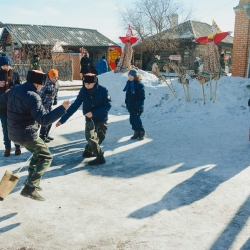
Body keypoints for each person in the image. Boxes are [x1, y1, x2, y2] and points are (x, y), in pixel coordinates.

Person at [0, 70, 71, 201]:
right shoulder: (33, 96)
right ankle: (30, 187)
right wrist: (63, 108)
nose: (43, 87)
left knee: (38, 153)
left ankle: (32, 181)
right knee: (46, 157)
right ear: (37, 84)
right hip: (26, 135)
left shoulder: (14, 89)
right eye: (42, 85)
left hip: (13, 133)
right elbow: (43, 120)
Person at [56, 73, 111, 165]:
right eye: (85, 84)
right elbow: (74, 106)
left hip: (101, 118)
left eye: (89, 84)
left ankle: (89, 150)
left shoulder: (103, 91)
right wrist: (62, 120)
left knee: (100, 138)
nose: (87, 86)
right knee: (90, 137)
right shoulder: (83, 91)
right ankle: (100, 157)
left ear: (95, 82)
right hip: (89, 119)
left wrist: (93, 113)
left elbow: (107, 106)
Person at [0, 54, 22, 157]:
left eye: (7, 65)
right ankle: (7, 147)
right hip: (2, 107)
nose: (6, 67)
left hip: (13, 106)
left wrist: (12, 89)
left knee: (15, 127)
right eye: (4, 66)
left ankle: (17, 146)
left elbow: (20, 86)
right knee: (5, 128)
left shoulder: (15, 73)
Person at [123, 68, 146, 140]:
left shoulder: (139, 85)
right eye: (129, 75)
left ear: (136, 76)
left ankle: (142, 132)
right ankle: (136, 132)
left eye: (132, 75)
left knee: (136, 120)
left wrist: (137, 106)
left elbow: (142, 97)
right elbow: (127, 95)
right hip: (131, 105)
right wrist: (126, 103)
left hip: (137, 106)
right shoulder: (129, 84)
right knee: (132, 121)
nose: (130, 76)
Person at [39, 69, 59, 143]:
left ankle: (46, 134)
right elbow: (40, 94)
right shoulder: (45, 84)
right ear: (49, 76)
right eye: (52, 78)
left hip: (50, 104)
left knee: (51, 119)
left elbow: (56, 92)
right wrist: (42, 102)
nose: (54, 79)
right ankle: (42, 136)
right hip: (44, 104)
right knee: (45, 120)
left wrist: (56, 99)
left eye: (55, 78)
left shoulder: (56, 83)